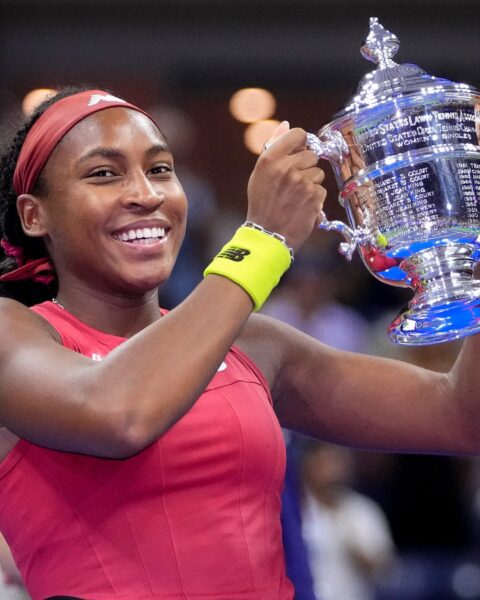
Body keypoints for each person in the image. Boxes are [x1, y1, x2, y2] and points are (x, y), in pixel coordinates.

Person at [0, 87, 479, 600]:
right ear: (34, 215)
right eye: (103, 173)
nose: (146, 193)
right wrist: (262, 240)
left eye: (160, 169)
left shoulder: (253, 343)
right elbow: (118, 414)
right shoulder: (15, 332)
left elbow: (460, 417)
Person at [300, 441, 395, 600]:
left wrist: (362, 557)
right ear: (309, 466)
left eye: (337, 463)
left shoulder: (362, 511)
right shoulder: (298, 510)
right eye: (324, 464)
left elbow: (385, 571)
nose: (332, 472)